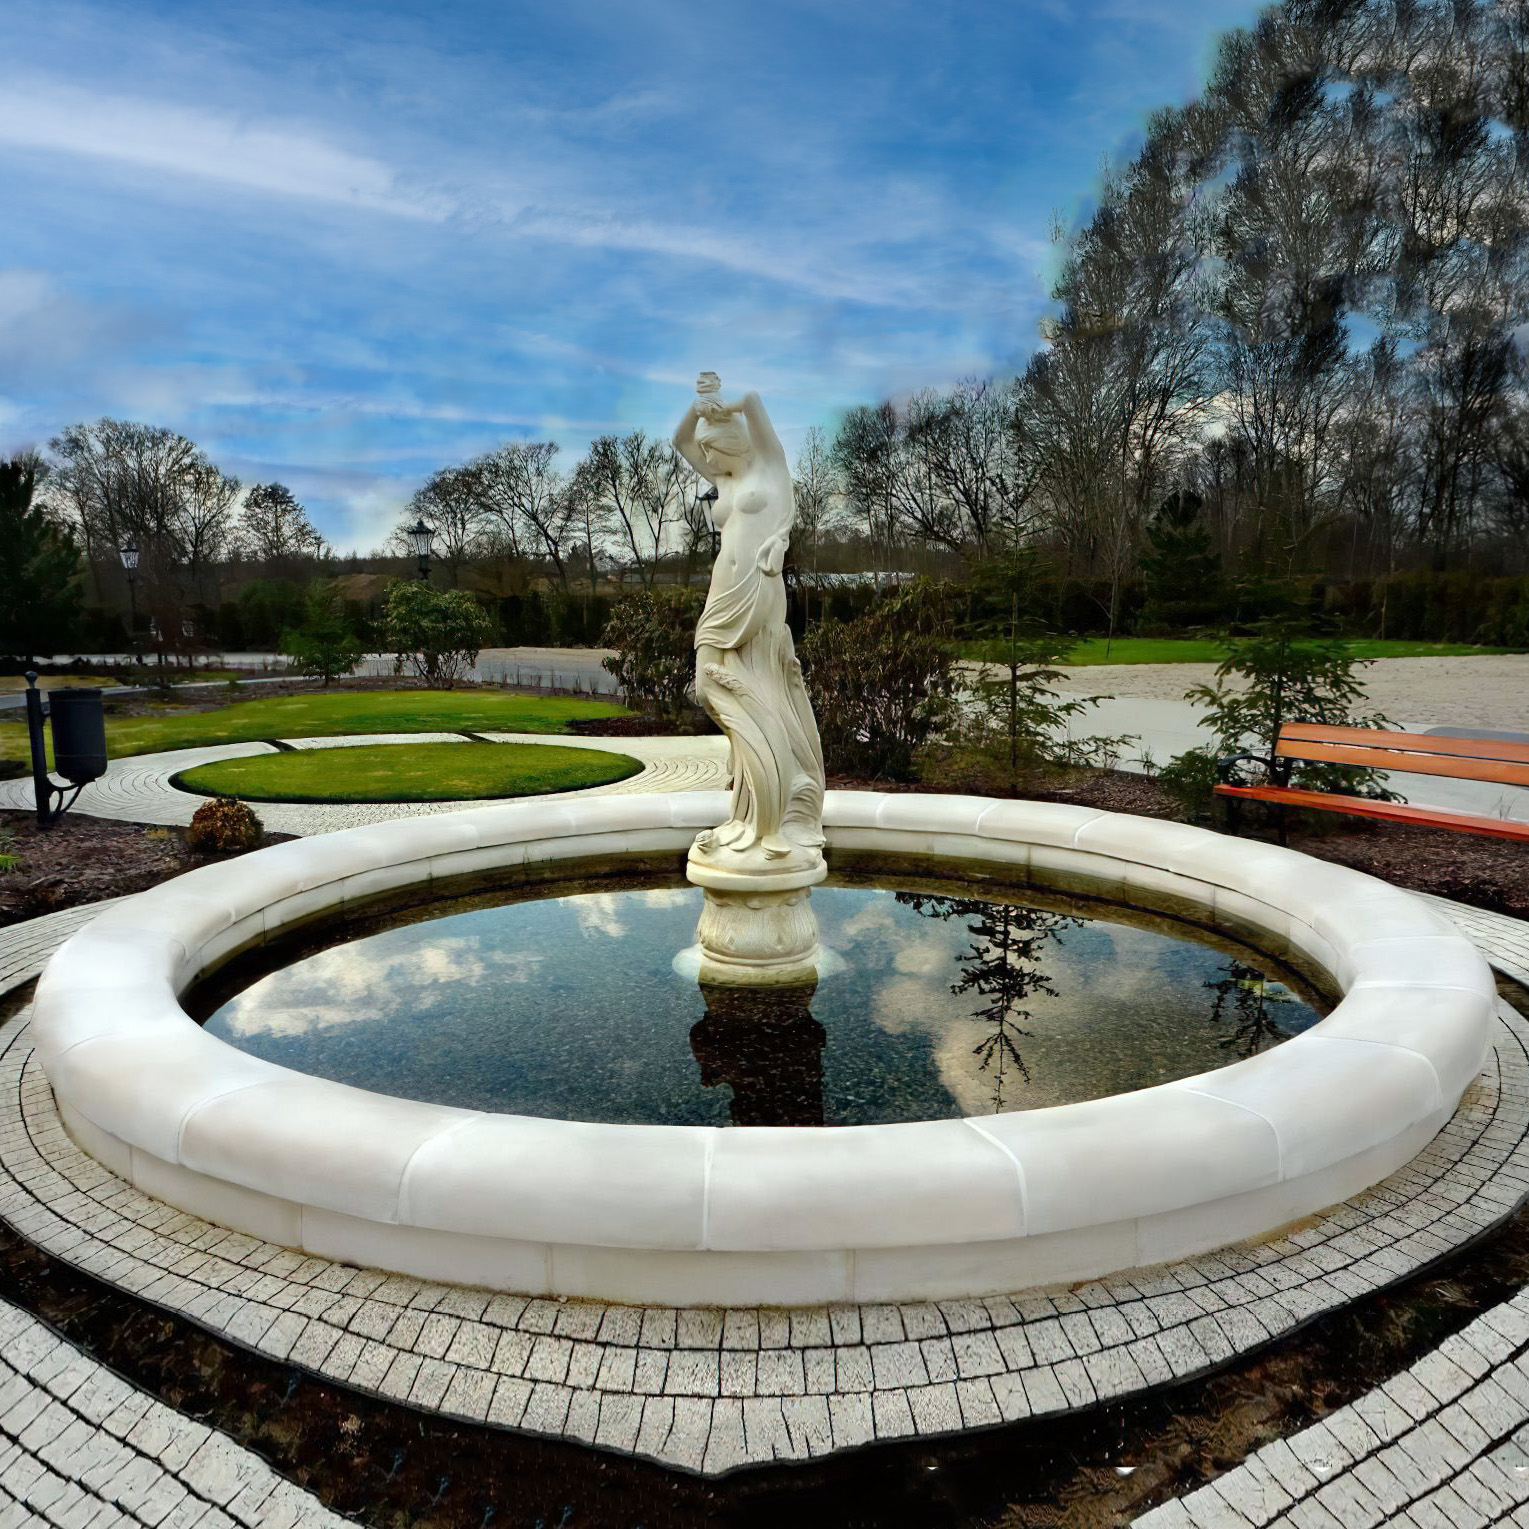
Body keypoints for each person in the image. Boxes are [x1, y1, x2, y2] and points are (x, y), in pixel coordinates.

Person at [672, 374, 825, 871]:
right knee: (709, 688)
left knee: (760, 692)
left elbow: (755, 402)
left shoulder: (770, 468)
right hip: (723, 590)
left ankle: (770, 820)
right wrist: (699, 410)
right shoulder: (725, 481)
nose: (707, 462)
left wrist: (724, 407)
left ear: (730, 443)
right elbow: (678, 441)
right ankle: (752, 804)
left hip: (759, 589)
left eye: (712, 452)